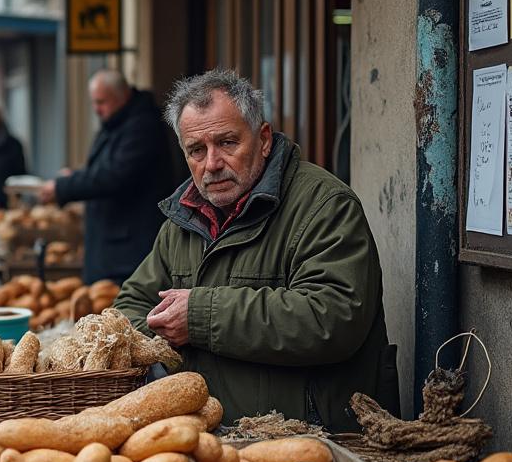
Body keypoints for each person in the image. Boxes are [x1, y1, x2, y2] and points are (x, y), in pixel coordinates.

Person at [114, 69, 395, 433]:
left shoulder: (325, 205)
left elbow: (333, 318)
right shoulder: (183, 219)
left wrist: (198, 317)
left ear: (263, 140)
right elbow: (130, 306)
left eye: (227, 143)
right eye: (196, 150)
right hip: (212, 437)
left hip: (313, 439)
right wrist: (163, 341)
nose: (211, 163)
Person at [39, 69, 175, 284]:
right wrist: (76, 175)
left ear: (122, 96)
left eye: (101, 102)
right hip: (113, 243)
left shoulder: (141, 125)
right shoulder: (118, 121)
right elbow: (107, 168)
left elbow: (116, 174)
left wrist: (64, 186)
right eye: (94, 102)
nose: (96, 109)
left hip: (127, 248)